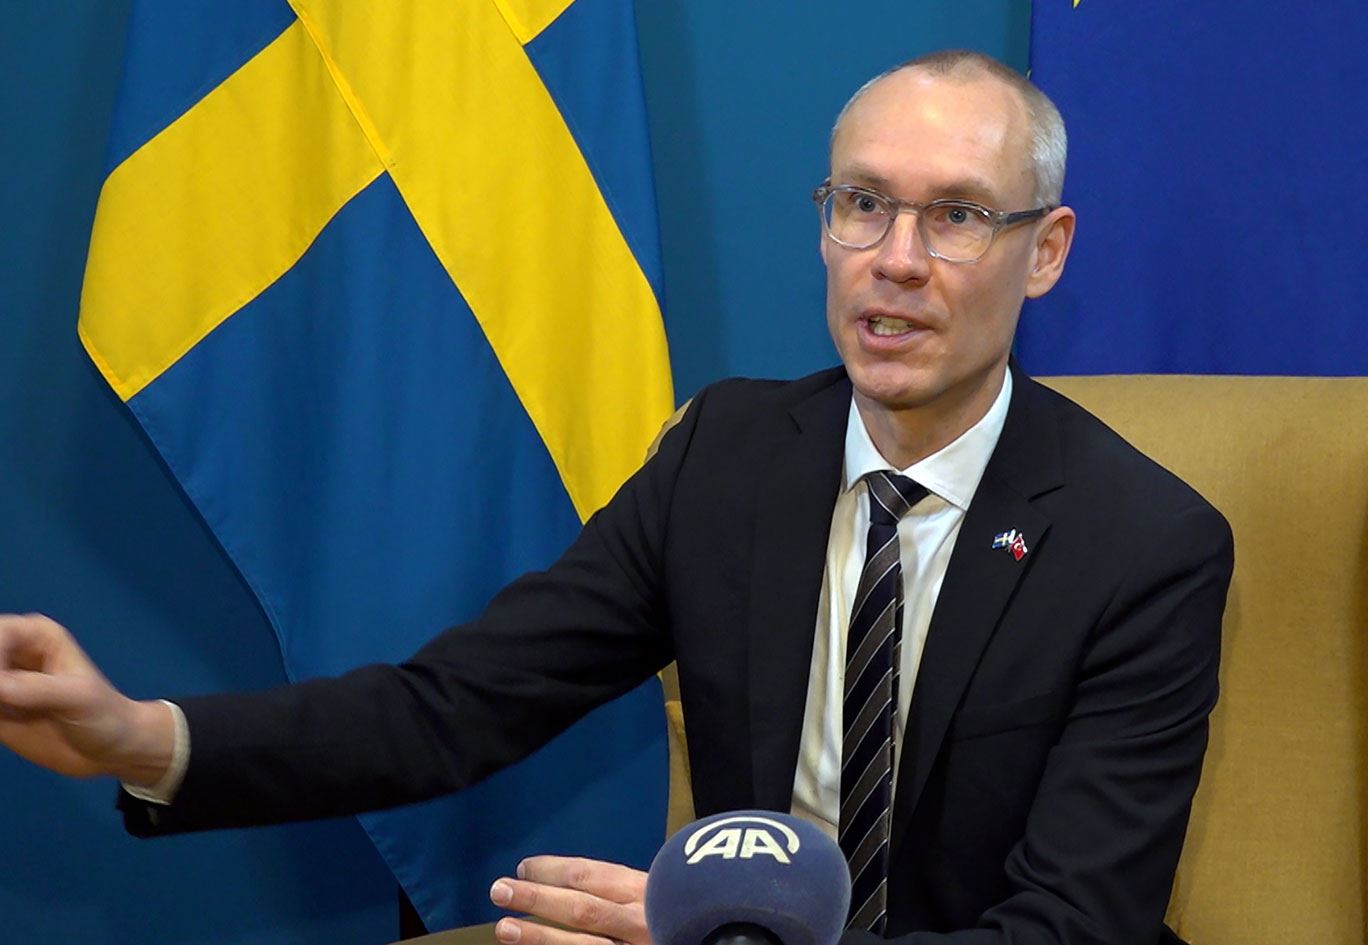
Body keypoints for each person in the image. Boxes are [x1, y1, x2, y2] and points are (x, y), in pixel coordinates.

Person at [0, 51, 1232, 945]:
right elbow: (453, 708)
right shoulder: (730, 457)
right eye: (863, 204)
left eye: (956, 216)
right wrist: (147, 738)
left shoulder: (1145, 545)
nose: (896, 261)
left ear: (1046, 250)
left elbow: (1076, 925)